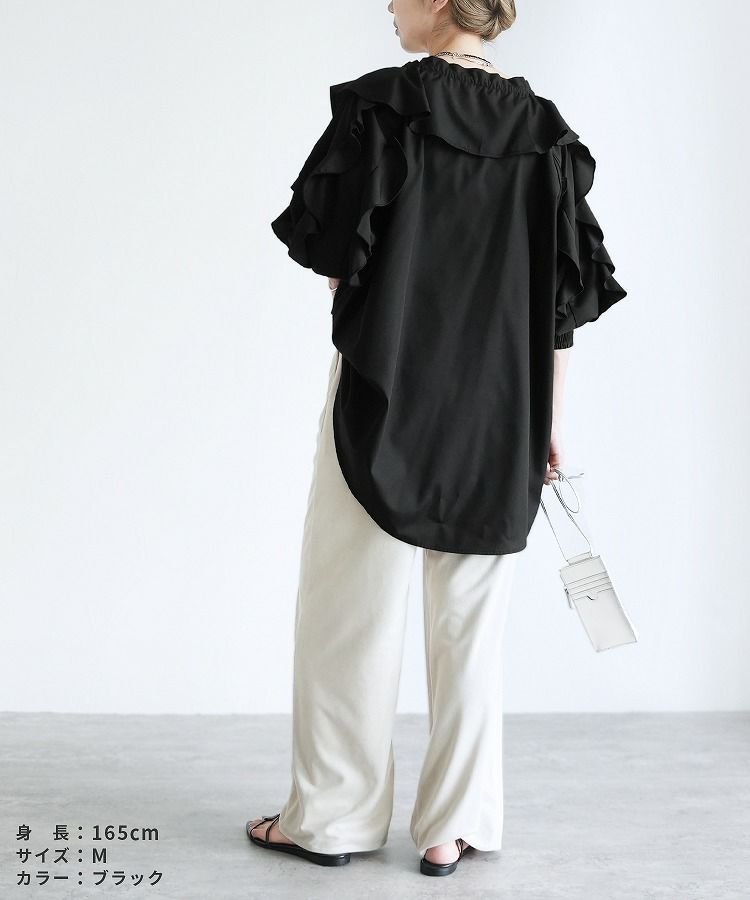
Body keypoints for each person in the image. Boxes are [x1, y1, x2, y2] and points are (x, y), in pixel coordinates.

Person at [247, 0, 627, 878]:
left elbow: (340, 266)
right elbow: (561, 307)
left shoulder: (385, 107)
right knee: (471, 623)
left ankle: (333, 821)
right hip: (503, 403)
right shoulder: (547, 135)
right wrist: (549, 422)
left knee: (350, 611)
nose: (387, 5)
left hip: (385, 390)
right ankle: (450, 827)